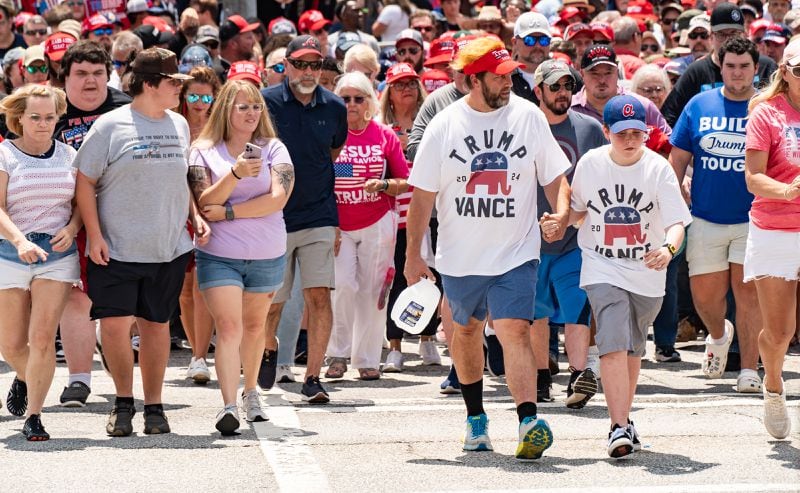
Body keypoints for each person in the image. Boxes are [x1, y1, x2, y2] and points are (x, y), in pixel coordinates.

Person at [406, 37, 570, 460]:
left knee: (515, 328)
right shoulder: (444, 126)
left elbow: (554, 177)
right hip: (461, 256)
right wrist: (412, 258)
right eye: (499, 77)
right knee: (466, 331)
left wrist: (562, 212)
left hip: (516, 251)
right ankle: (476, 418)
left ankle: (528, 420)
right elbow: (422, 197)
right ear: (472, 80)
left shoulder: (529, 116)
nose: (508, 81)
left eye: (510, 73)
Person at [74, 47, 209, 437]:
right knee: (115, 328)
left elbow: (181, 179)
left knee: (156, 326)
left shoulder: (179, 125)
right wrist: (95, 235)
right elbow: (84, 181)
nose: (179, 91)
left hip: (167, 247)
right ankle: (121, 402)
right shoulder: (110, 126)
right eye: (173, 83)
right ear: (150, 84)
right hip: (115, 247)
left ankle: (154, 406)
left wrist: (194, 215)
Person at [551, 94, 691, 458]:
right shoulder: (591, 164)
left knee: (632, 351)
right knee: (613, 341)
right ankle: (617, 427)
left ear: (646, 132)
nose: (630, 141)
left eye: (637, 133)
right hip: (601, 264)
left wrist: (668, 250)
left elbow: (677, 223)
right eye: (621, 134)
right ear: (606, 131)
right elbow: (579, 212)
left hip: (647, 270)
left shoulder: (658, 169)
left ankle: (624, 419)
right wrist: (560, 220)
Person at [189, 79, 294, 435]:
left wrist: (231, 212)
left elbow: (278, 199)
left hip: (267, 251)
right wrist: (235, 174)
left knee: (254, 328)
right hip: (219, 254)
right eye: (242, 107)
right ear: (225, 111)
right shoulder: (202, 150)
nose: (251, 113)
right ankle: (228, 404)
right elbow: (205, 202)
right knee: (230, 327)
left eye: (255, 107)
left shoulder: (274, 148)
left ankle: (252, 393)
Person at [670, 37, 762, 391]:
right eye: (730, 66)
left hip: (753, 218)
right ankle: (720, 336)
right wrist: (674, 198)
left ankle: (750, 370)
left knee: (748, 297)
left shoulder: (765, 108)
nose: (737, 73)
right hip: (705, 216)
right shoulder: (699, 104)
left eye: (744, 66)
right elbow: (677, 159)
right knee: (705, 299)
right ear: (720, 67)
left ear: (756, 69)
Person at [262, 35, 347, 403]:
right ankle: (267, 349)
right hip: (272, 216)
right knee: (271, 300)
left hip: (319, 214)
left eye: (316, 64)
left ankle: (313, 377)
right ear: (287, 64)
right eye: (302, 64)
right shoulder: (264, 102)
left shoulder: (335, 105)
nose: (309, 71)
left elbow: (333, 152)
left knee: (320, 297)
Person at [55, 40, 132, 408]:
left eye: (98, 73)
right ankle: (79, 379)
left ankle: (125, 379)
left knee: (123, 300)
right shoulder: (49, 110)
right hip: (63, 219)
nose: (90, 81)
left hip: (121, 216)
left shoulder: (126, 109)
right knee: (75, 297)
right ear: (64, 78)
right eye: (81, 74)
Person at [0, 85, 79, 441]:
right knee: (12, 345)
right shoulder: (5, 155)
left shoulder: (69, 155)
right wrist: (19, 241)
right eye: (35, 117)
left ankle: (34, 415)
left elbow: (82, 204)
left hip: (58, 256)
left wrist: (73, 227)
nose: (43, 124)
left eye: (49, 117)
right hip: (10, 252)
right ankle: (24, 374)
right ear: (19, 118)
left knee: (43, 338)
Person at [530, 59, 606, 409]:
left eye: (568, 86)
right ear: (539, 90)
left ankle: (578, 376)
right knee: (536, 312)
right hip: (528, 239)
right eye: (555, 86)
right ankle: (540, 377)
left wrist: (573, 218)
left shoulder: (590, 129)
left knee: (577, 309)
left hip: (575, 238)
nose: (563, 92)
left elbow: (598, 182)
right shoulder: (523, 127)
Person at [325, 72, 409, 380]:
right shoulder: (329, 135)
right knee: (342, 286)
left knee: (374, 292)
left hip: (378, 222)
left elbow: (403, 180)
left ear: (370, 102)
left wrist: (385, 184)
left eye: (358, 99)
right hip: (340, 225)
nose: (351, 104)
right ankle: (337, 354)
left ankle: (367, 358)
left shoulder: (384, 136)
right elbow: (323, 181)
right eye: (345, 98)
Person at [742, 37, 800, 440]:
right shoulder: (766, 114)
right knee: (779, 332)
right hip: (775, 226)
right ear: (785, 72)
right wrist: (788, 190)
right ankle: (774, 386)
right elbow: (752, 178)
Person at [377, 63, 438, 371]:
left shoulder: (429, 121)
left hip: (429, 209)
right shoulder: (379, 126)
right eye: (399, 85)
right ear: (389, 91)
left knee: (433, 276)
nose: (406, 90)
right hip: (394, 212)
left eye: (412, 84)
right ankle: (395, 346)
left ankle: (428, 337)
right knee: (401, 277)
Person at [661, 3, 778, 128]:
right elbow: (668, 118)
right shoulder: (696, 72)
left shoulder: (766, 67)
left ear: (744, 34)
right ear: (711, 36)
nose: (728, 40)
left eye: (733, 33)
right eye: (721, 34)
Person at [177, 66, 219, 384]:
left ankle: (200, 355)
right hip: (176, 211)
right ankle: (196, 352)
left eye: (206, 95)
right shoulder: (174, 125)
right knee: (184, 291)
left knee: (200, 287)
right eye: (193, 95)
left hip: (208, 210)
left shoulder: (219, 129)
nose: (200, 101)